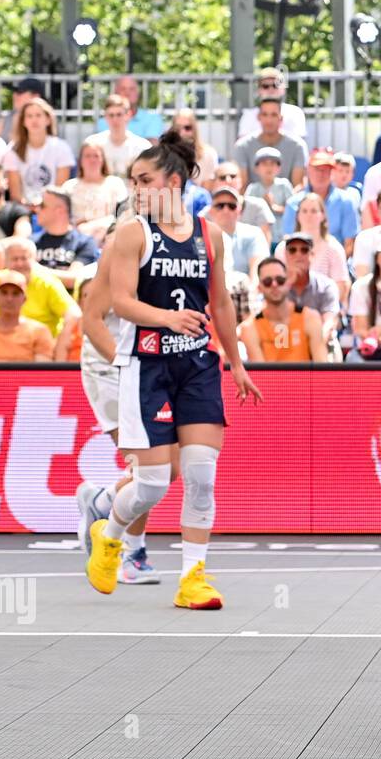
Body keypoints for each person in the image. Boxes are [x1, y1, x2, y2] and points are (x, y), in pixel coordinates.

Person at [86, 131, 262, 611]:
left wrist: (238, 363)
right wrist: (167, 318)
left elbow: (221, 302)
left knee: (202, 475)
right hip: (147, 363)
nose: (135, 189)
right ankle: (111, 532)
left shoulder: (210, 236)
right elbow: (120, 302)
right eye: (132, 180)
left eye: (143, 180)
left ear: (174, 181)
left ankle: (193, 579)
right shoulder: (132, 232)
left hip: (198, 363)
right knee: (153, 484)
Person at [74, 233, 162, 583]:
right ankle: (131, 554)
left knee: (167, 468)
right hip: (109, 371)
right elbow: (91, 322)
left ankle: (103, 500)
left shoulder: (158, 266)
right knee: (145, 462)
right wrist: (126, 368)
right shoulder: (106, 271)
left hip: (148, 369)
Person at [0, 236, 79, 355]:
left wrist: (60, 345)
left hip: (39, 349)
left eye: (24, 258)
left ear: (34, 260)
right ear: (5, 261)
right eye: (14, 259)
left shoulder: (47, 282)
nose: (19, 263)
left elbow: (74, 314)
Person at [239, 257, 329, 362]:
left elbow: (321, 366)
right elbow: (261, 375)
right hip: (269, 378)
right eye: (267, 281)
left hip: (305, 378)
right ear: (260, 288)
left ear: (288, 283)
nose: (274, 285)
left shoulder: (310, 318)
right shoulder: (250, 328)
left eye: (280, 280)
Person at [275, 191, 350, 302]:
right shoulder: (283, 248)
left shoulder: (334, 248)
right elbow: (277, 282)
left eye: (314, 211)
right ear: (297, 216)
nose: (309, 215)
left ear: (323, 215)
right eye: (304, 211)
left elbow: (341, 287)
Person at [277, 147, 358, 250]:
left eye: (325, 170)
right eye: (317, 169)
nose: (321, 173)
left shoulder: (346, 201)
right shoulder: (293, 203)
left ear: (331, 172)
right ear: (308, 171)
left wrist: (335, 262)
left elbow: (350, 242)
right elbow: (288, 239)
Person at [3, 99, 74, 206]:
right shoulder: (13, 150)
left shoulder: (61, 148)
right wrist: (29, 206)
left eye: (38, 115)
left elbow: (60, 190)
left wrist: (45, 207)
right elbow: (15, 194)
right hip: (24, 208)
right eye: (29, 116)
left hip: (53, 207)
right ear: (23, 122)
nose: (34, 120)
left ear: (48, 120)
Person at [62, 140, 128, 242]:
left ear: (103, 160)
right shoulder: (69, 186)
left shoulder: (115, 183)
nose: (92, 160)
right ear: (81, 160)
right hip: (76, 235)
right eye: (87, 156)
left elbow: (123, 212)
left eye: (96, 156)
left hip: (107, 235)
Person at [234, 98, 307, 190]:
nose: (269, 120)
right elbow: (242, 185)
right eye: (265, 114)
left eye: (274, 115)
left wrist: (287, 202)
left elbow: (298, 184)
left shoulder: (298, 146)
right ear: (259, 117)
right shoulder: (242, 146)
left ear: (281, 118)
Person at [33, 187, 99, 290]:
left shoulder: (84, 242)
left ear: (59, 211)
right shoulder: (31, 242)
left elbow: (73, 280)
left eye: (42, 206)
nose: (36, 209)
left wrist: (35, 270)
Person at [86, 94, 153, 180]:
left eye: (119, 115)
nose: (115, 120)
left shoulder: (143, 146)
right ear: (105, 117)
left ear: (128, 115)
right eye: (111, 115)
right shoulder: (93, 143)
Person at [207, 185, 267, 280]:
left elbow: (257, 274)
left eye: (232, 206)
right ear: (210, 211)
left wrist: (251, 293)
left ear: (240, 210)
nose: (226, 210)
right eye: (220, 206)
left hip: (245, 291)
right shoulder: (201, 237)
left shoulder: (254, 234)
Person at [236, 67, 308, 140]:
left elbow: (298, 143)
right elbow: (243, 145)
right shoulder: (249, 115)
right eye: (265, 86)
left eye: (275, 85)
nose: (271, 89)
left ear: (283, 89)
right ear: (259, 90)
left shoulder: (295, 112)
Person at [214, 161, 276, 239]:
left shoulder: (258, 205)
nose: (228, 180)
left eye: (233, 176)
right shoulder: (208, 211)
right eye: (222, 177)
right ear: (215, 183)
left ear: (240, 180)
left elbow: (265, 243)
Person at [170, 109, 218, 187]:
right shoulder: (165, 155)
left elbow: (207, 189)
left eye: (187, 128)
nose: (182, 133)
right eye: (177, 128)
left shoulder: (208, 154)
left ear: (195, 129)